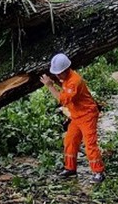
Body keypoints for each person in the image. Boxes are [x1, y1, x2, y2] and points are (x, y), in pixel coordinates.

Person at [40, 53, 105, 183]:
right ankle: (70, 168)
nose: (57, 76)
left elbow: (62, 100)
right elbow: (64, 86)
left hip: (87, 115)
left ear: (66, 70)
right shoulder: (66, 78)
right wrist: (56, 82)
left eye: (59, 73)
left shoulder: (74, 81)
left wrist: (50, 86)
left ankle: (98, 172)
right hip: (77, 116)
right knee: (70, 141)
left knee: (90, 144)